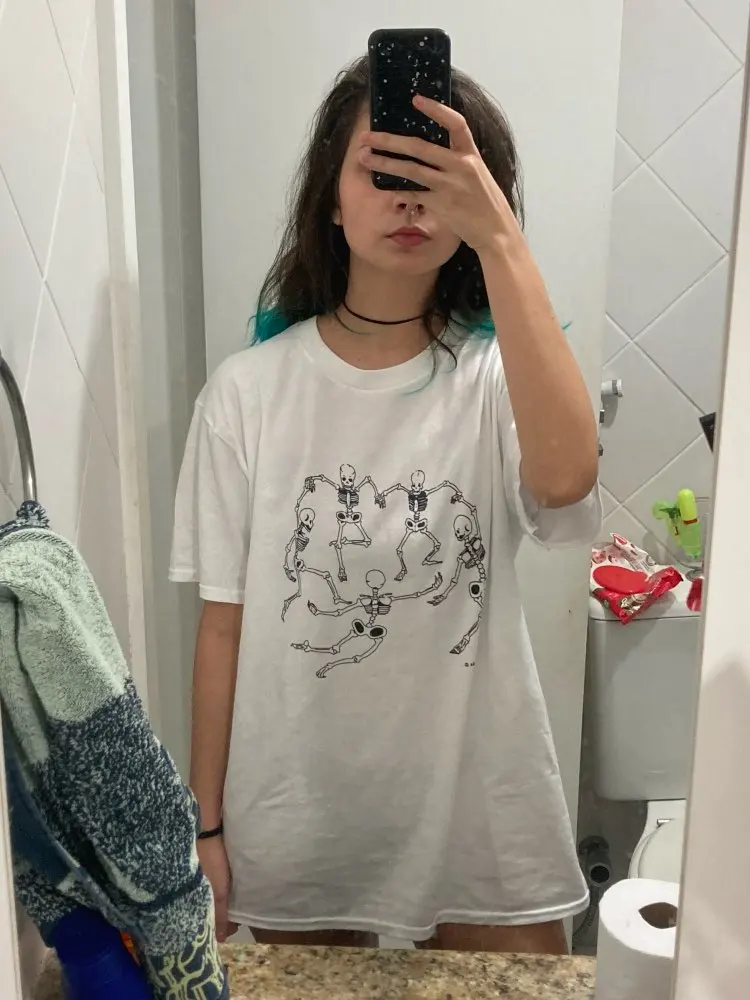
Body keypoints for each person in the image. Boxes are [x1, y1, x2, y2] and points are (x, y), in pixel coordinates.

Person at [170, 55, 601, 954]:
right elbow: (223, 625)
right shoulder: (246, 394)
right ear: (331, 200)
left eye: (436, 173)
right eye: (383, 171)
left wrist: (501, 240)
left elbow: (566, 482)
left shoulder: (497, 377)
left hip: (483, 811)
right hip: (298, 808)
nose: (410, 200)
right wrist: (204, 827)